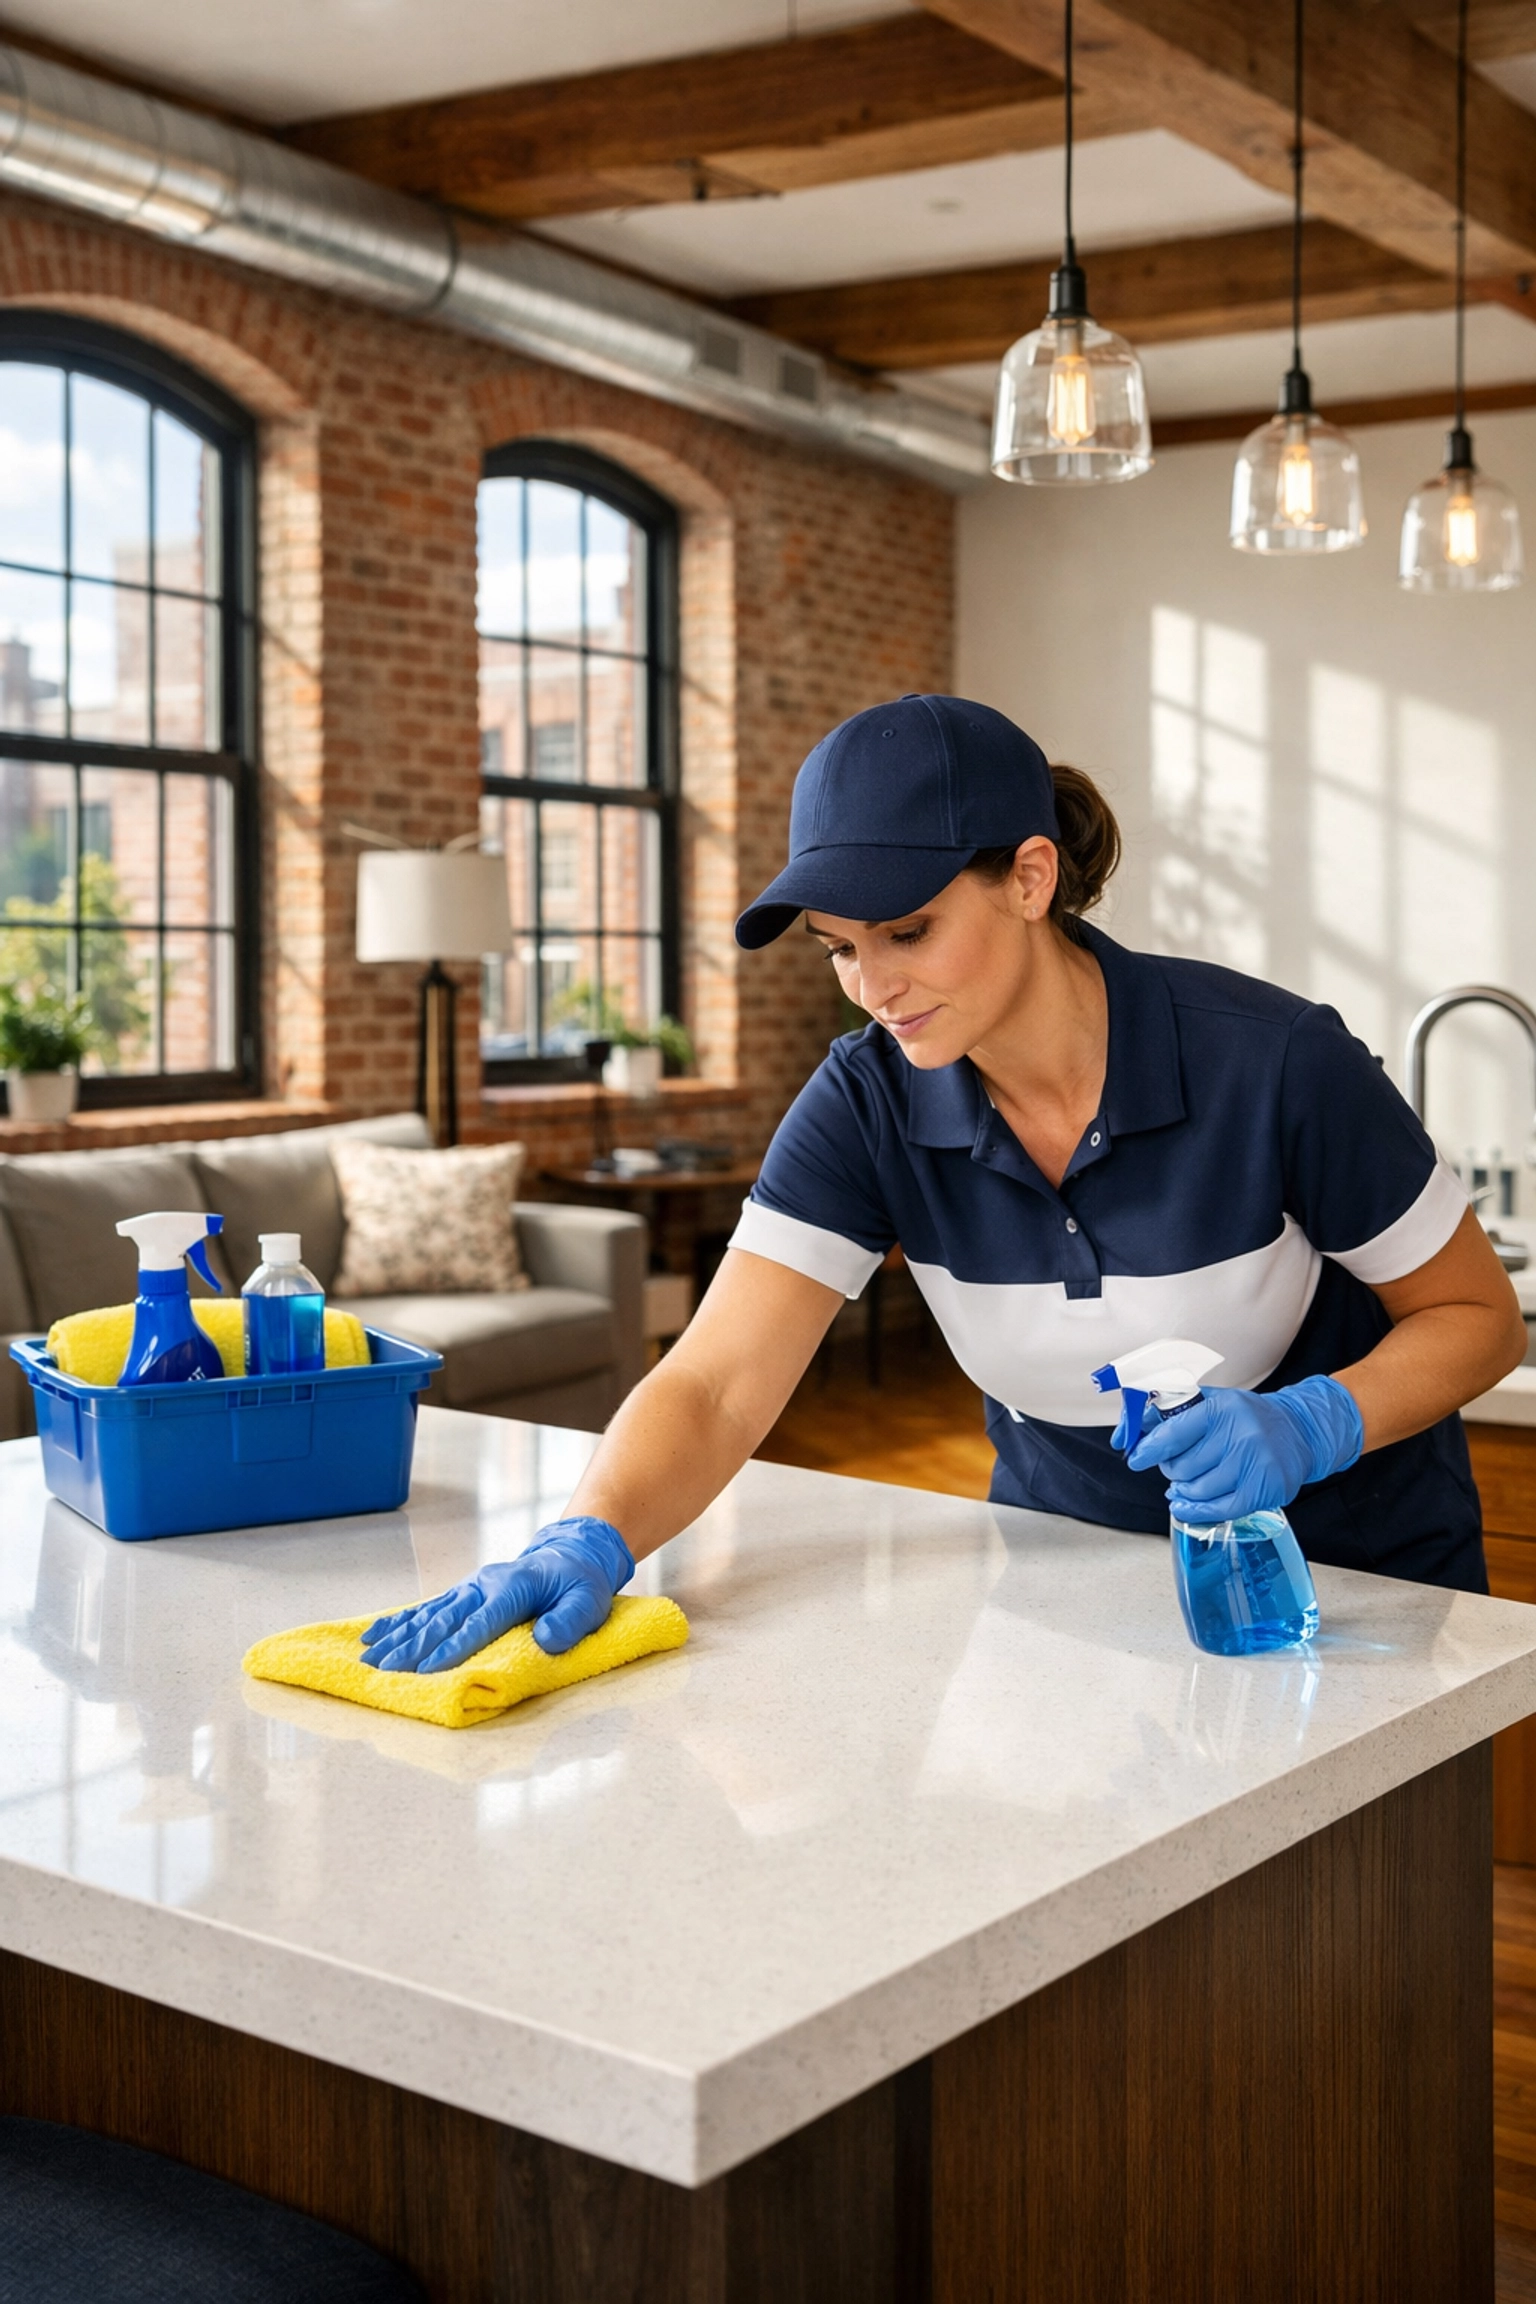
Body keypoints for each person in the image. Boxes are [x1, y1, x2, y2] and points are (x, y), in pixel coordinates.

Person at [363, 695, 1525, 1674]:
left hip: (1353, 1585)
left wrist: (1313, 1423)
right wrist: (587, 1534)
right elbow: (718, 1382)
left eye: (908, 933)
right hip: (1069, 1590)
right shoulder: (869, 1102)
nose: (873, 985)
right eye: (839, 948)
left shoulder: (1272, 1063)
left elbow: (1478, 1318)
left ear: (1030, 878)